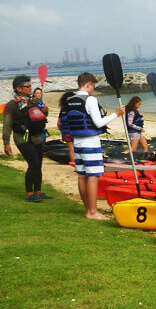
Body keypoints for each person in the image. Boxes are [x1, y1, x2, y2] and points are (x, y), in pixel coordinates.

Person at [60, 72, 124, 219]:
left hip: (77, 142)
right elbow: (99, 123)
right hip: (90, 142)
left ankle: (88, 209)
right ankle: (93, 212)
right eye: (93, 86)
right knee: (93, 176)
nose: (93, 90)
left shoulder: (69, 100)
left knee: (82, 176)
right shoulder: (90, 100)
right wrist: (117, 113)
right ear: (88, 84)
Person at [2, 76, 49, 202]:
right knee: (33, 163)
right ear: (18, 89)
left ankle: (38, 192)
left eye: (30, 86)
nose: (30, 88)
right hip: (22, 137)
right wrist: (6, 143)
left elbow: (39, 116)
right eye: (27, 86)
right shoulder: (12, 105)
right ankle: (29, 194)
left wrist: (45, 111)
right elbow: (7, 124)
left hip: (36, 136)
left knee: (38, 164)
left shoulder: (33, 101)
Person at [56, 91, 76, 163]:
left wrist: (63, 131)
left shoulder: (63, 109)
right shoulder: (75, 108)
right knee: (77, 149)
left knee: (71, 149)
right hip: (75, 132)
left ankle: (74, 165)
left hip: (66, 133)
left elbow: (58, 123)